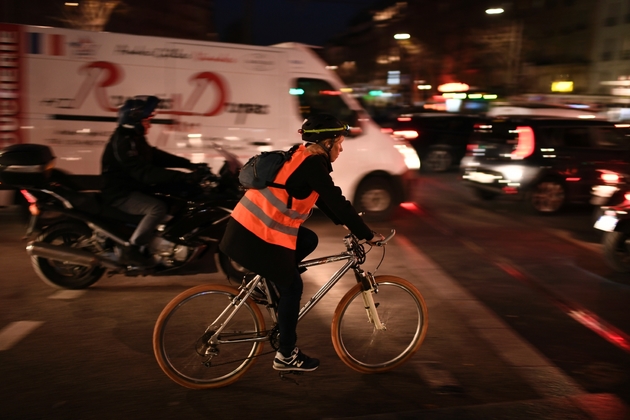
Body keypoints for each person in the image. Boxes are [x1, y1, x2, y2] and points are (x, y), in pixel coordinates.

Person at [219, 113, 383, 372]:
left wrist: (343, 222)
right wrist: (367, 234)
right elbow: (335, 198)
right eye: (339, 143)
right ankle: (286, 355)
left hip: (245, 228)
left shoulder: (302, 155)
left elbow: (321, 198)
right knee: (293, 288)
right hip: (256, 235)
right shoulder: (313, 164)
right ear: (326, 143)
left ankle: (269, 281)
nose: (340, 149)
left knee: (308, 239)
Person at [101, 95, 206, 266]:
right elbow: (143, 172)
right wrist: (181, 176)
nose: (149, 123)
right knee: (157, 208)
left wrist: (189, 164)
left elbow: (155, 156)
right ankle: (132, 249)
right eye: (146, 119)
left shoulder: (133, 138)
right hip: (120, 194)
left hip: (133, 188)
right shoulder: (123, 142)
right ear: (134, 120)